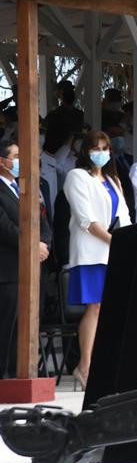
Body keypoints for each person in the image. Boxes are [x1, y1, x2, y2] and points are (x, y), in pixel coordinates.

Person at [63, 131, 131, 387]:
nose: (100, 153)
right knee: (95, 307)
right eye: (96, 148)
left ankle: (104, 364)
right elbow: (86, 220)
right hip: (92, 251)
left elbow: (124, 215)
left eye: (105, 148)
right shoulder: (77, 176)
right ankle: (85, 366)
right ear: (86, 151)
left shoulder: (112, 180)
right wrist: (116, 243)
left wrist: (127, 241)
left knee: (110, 309)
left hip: (113, 252)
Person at [0, 141, 53, 378]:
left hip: (32, 268)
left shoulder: (23, 187)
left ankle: (21, 373)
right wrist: (33, 246)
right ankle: (4, 376)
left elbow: (41, 220)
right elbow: (5, 227)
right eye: (16, 155)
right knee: (8, 327)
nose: (21, 160)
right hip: (9, 269)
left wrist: (44, 244)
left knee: (29, 323)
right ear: (2, 161)